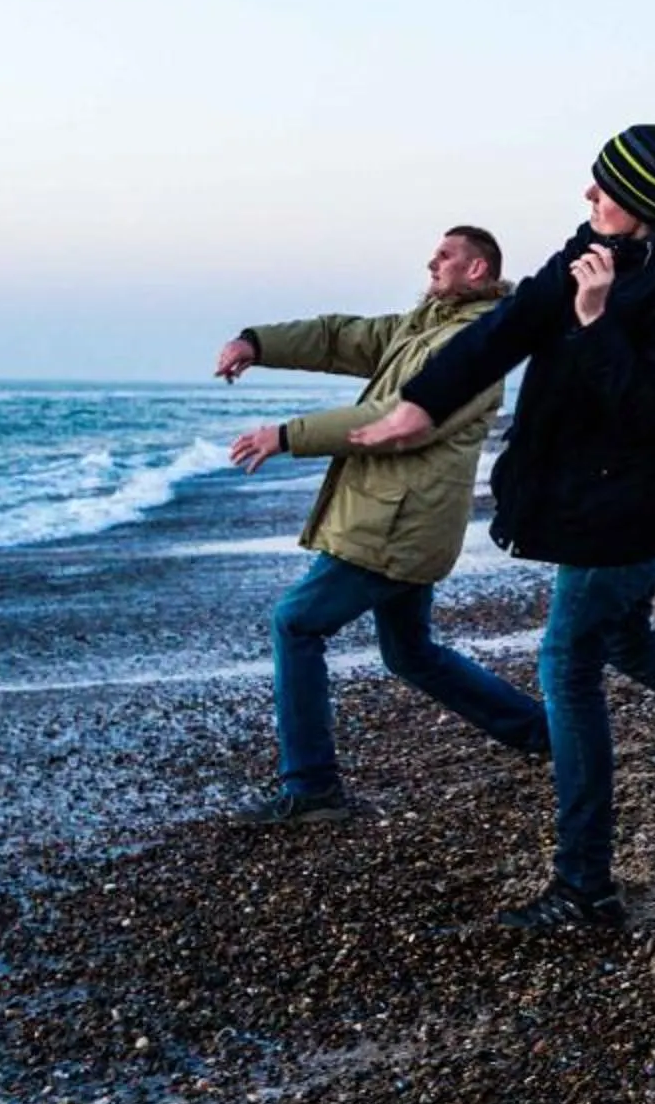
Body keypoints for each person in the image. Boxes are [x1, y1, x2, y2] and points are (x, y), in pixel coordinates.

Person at [351, 125, 655, 929]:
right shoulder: (589, 247)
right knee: (627, 641)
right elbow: (501, 334)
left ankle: (585, 887)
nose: (588, 198)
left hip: (626, 512)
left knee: (567, 667)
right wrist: (421, 403)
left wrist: (594, 319)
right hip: (592, 502)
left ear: (641, 204)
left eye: (603, 188)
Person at [215, 225, 549, 822]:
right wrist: (256, 342)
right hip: (399, 519)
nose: (432, 262)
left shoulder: (479, 340)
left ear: (478, 270)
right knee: (411, 652)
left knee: (296, 623)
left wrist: (287, 435)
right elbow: (340, 337)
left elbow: (397, 419)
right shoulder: (422, 326)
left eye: (445, 255)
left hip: (395, 523)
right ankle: (543, 734)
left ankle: (312, 786)